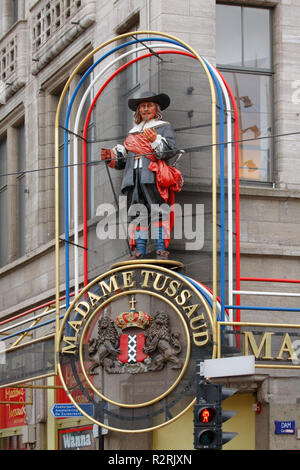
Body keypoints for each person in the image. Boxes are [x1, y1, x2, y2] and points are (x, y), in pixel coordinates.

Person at [101, 91, 182, 259]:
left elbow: (171, 149)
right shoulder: (133, 133)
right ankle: (139, 250)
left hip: (152, 175)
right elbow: (123, 160)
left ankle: (161, 247)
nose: (146, 109)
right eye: (143, 106)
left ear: (156, 108)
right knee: (137, 213)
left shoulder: (163, 127)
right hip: (132, 178)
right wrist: (113, 156)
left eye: (149, 106)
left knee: (158, 210)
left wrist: (155, 141)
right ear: (138, 111)